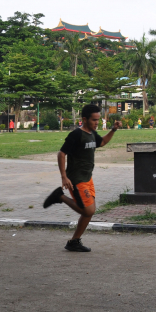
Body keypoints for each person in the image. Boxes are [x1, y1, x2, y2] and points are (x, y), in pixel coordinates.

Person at [43, 104, 121, 252]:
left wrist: (113, 130)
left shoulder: (92, 133)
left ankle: (74, 241)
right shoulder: (76, 135)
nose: (97, 123)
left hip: (87, 178)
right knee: (88, 211)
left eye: (98, 120)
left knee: (89, 211)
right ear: (84, 119)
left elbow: (102, 142)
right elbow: (61, 154)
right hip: (76, 179)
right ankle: (60, 196)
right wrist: (64, 177)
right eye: (94, 120)